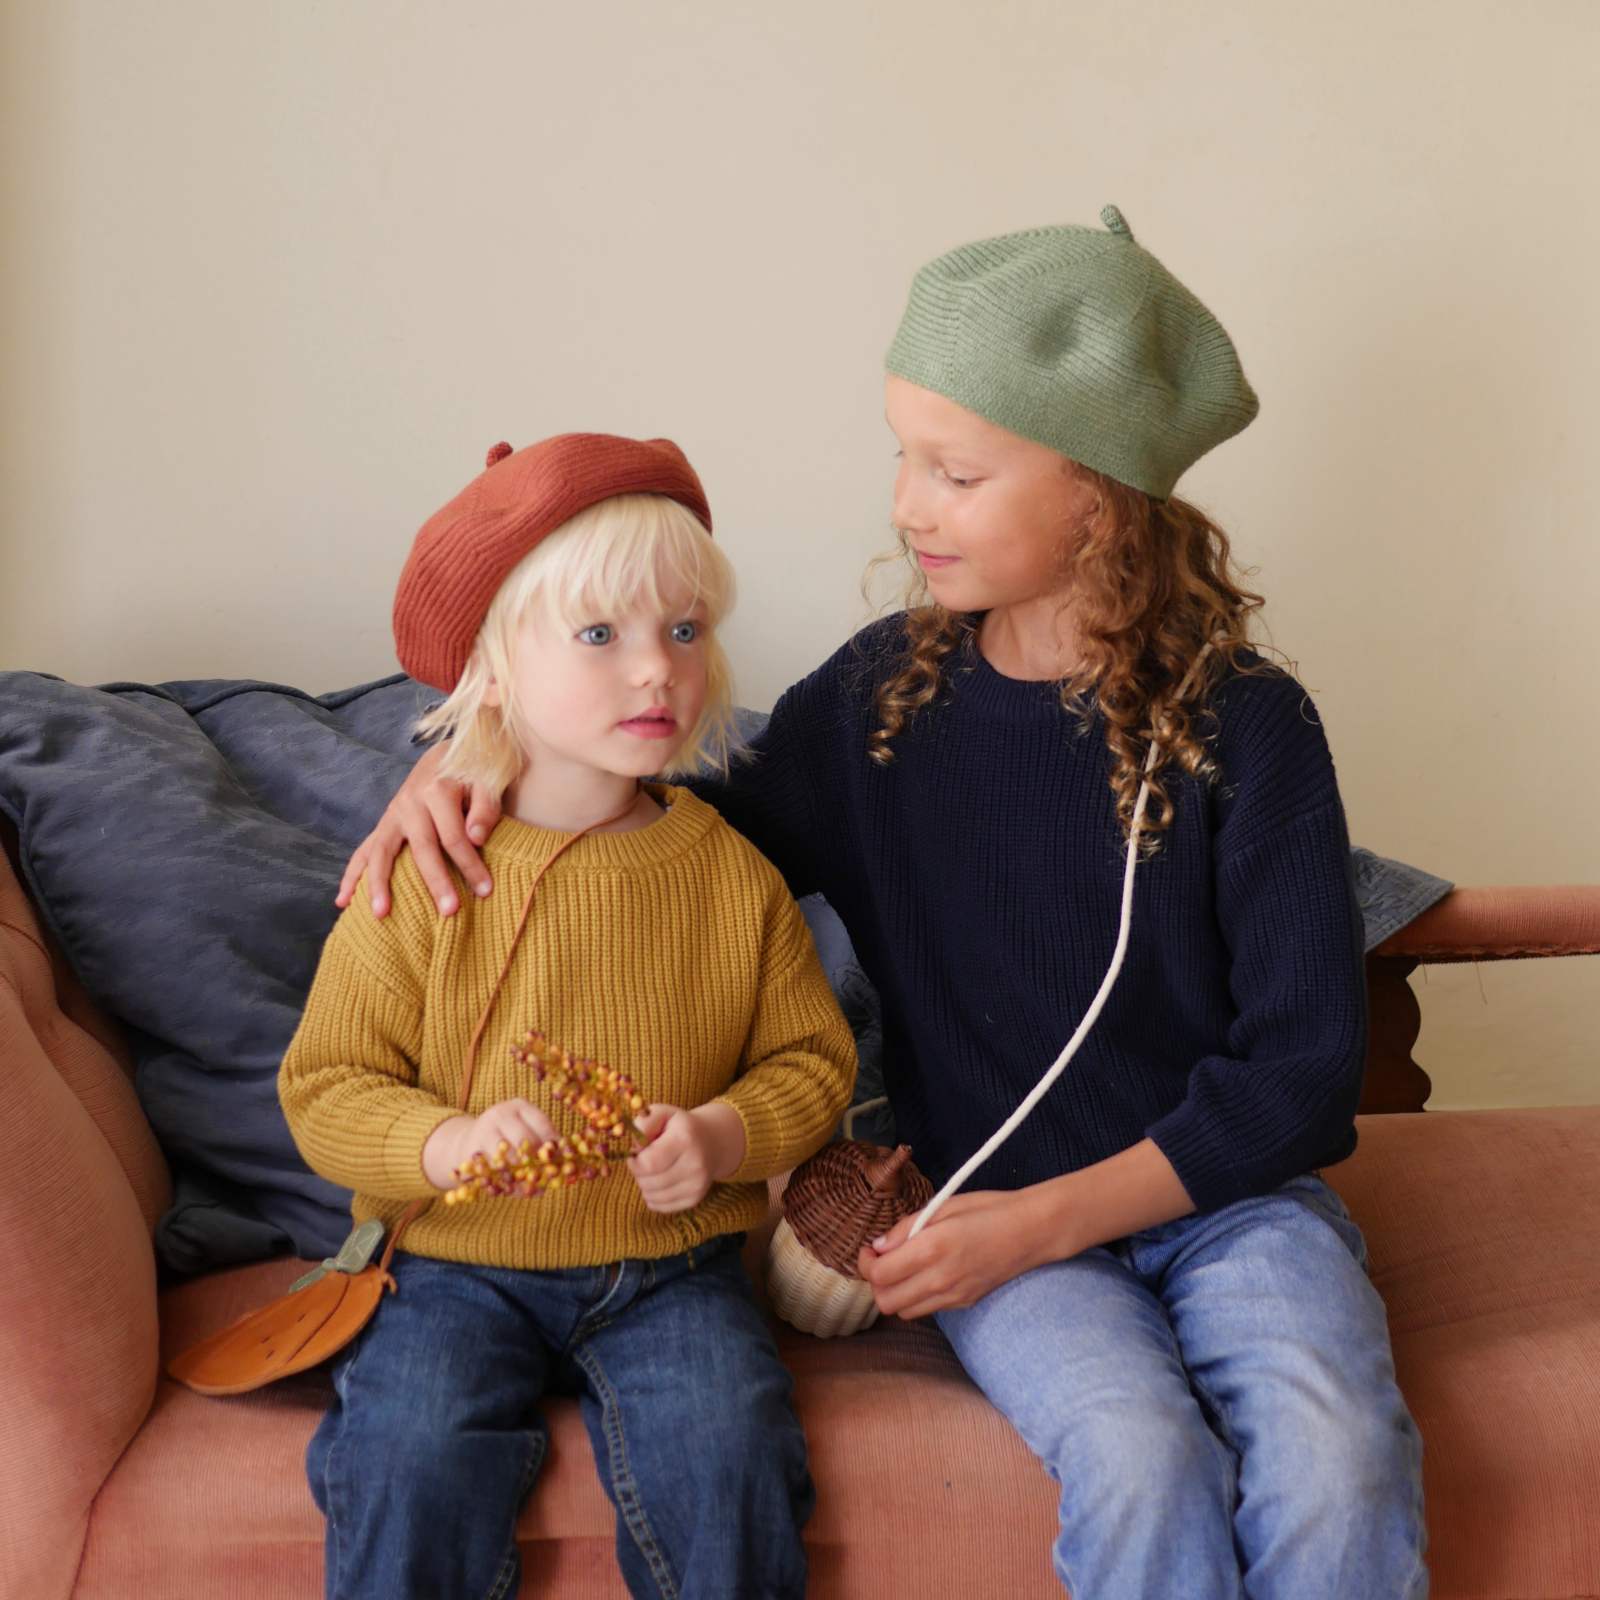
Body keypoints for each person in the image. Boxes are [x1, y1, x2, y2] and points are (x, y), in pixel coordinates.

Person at [341, 210, 1427, 1598]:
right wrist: (460, 775)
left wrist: (1041, 1223)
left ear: (1101, 492)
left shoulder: (1250, 729)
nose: (909, 505)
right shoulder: (880, 706)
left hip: (1224, 1211)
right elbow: (670, 834)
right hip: (996, 1214)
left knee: (1339, 1455)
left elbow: (1301, 1075)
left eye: (956, 470)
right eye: (903, 458)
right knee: (1141, 1455)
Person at [281, 432, 856, 1600]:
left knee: (729, 1445)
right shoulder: (428, 874)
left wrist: (726, 1137)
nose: (657, 670)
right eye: (600, 635)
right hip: (451, 1264)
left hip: (672, 1269)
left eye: (684, 630)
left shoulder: (727, 872)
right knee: (407, 1449)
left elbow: (810, 1060)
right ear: (491, 666)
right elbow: (326, 1085)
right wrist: (439, 1144)